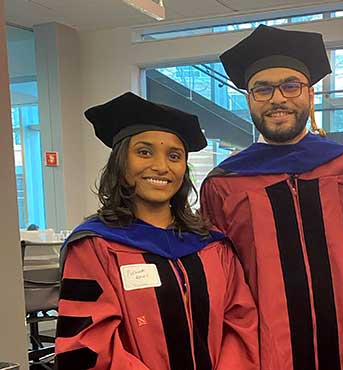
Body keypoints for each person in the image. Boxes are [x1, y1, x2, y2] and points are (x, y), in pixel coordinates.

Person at [54, 92, 259, 370]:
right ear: (121, 163)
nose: (161, 167)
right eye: (144, 152)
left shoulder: (213, 246)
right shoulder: (94, 248)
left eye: (174, 156)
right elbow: (88, 346)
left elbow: (240, 325)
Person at [200, 25, 343, 370]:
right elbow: (221, 283)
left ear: (309, 93)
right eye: (263, 88)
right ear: (249, 99)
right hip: (266, 356)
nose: (278, 98)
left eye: (291, 85)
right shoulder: (226, 183)